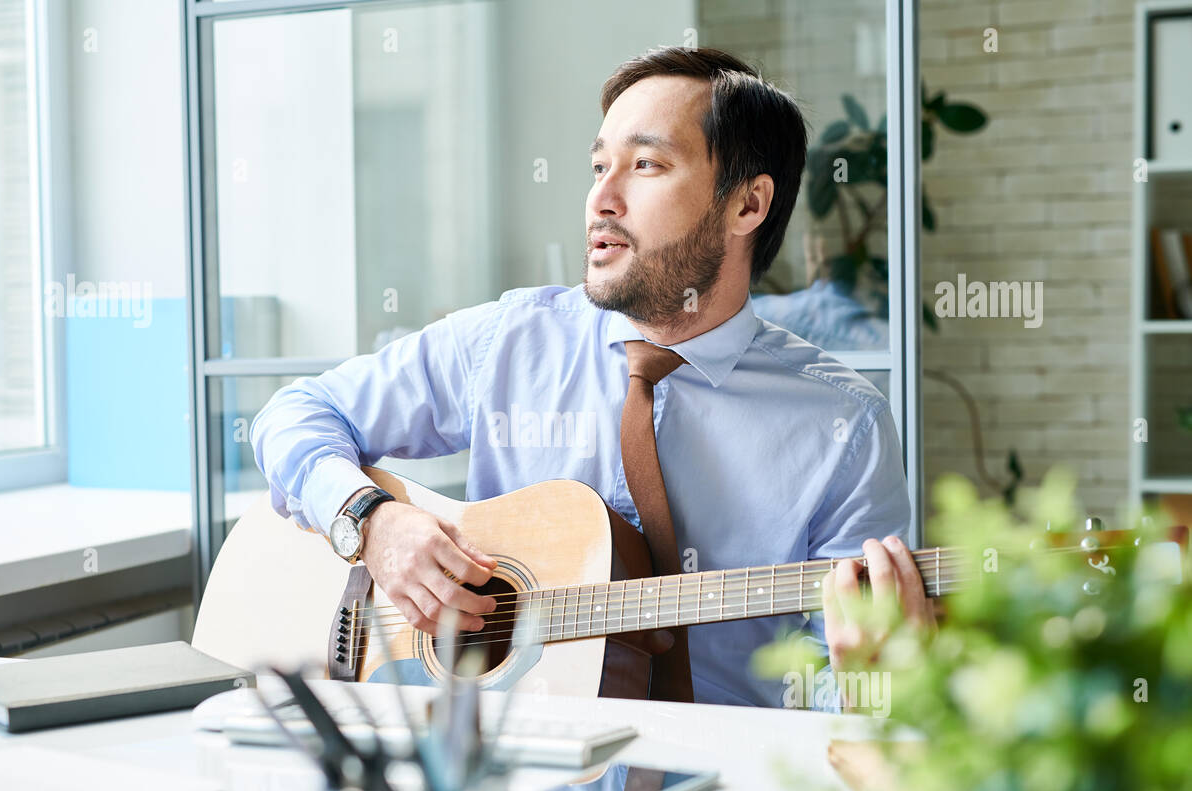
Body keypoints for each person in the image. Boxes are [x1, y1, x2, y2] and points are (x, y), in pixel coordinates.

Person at [251, 46, 932, 709]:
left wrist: (870, 681)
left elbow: (834, 708)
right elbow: (293, 414)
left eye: (645, 164)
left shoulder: (845, 427)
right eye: (598, 164)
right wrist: (372, 526)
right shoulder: (507, 343)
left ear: (747, 206)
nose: (601, 198)